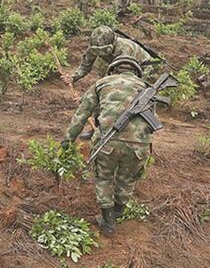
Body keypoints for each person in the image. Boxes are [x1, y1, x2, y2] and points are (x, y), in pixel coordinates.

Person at [62, 56, 156, 236]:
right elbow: (152, 122)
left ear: (113, 69)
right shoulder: (146, 88)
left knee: (103, 177)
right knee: (127, 178)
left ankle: (108, 221)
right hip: (138, 145)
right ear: (136, 71)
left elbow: (81, 115)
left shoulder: (101, 83)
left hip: (107, 142)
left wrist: (67, 142)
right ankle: (118, 211)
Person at [65, 25, 156, 87]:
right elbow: (85, 65)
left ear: (113, 43)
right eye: (97, 51)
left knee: (134, 92)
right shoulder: (95, 47)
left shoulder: (124, 49)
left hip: (143, 65)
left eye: (105, 50)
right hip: (114, 62)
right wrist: (73, 77)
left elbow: (122, 78)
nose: (101, 54)